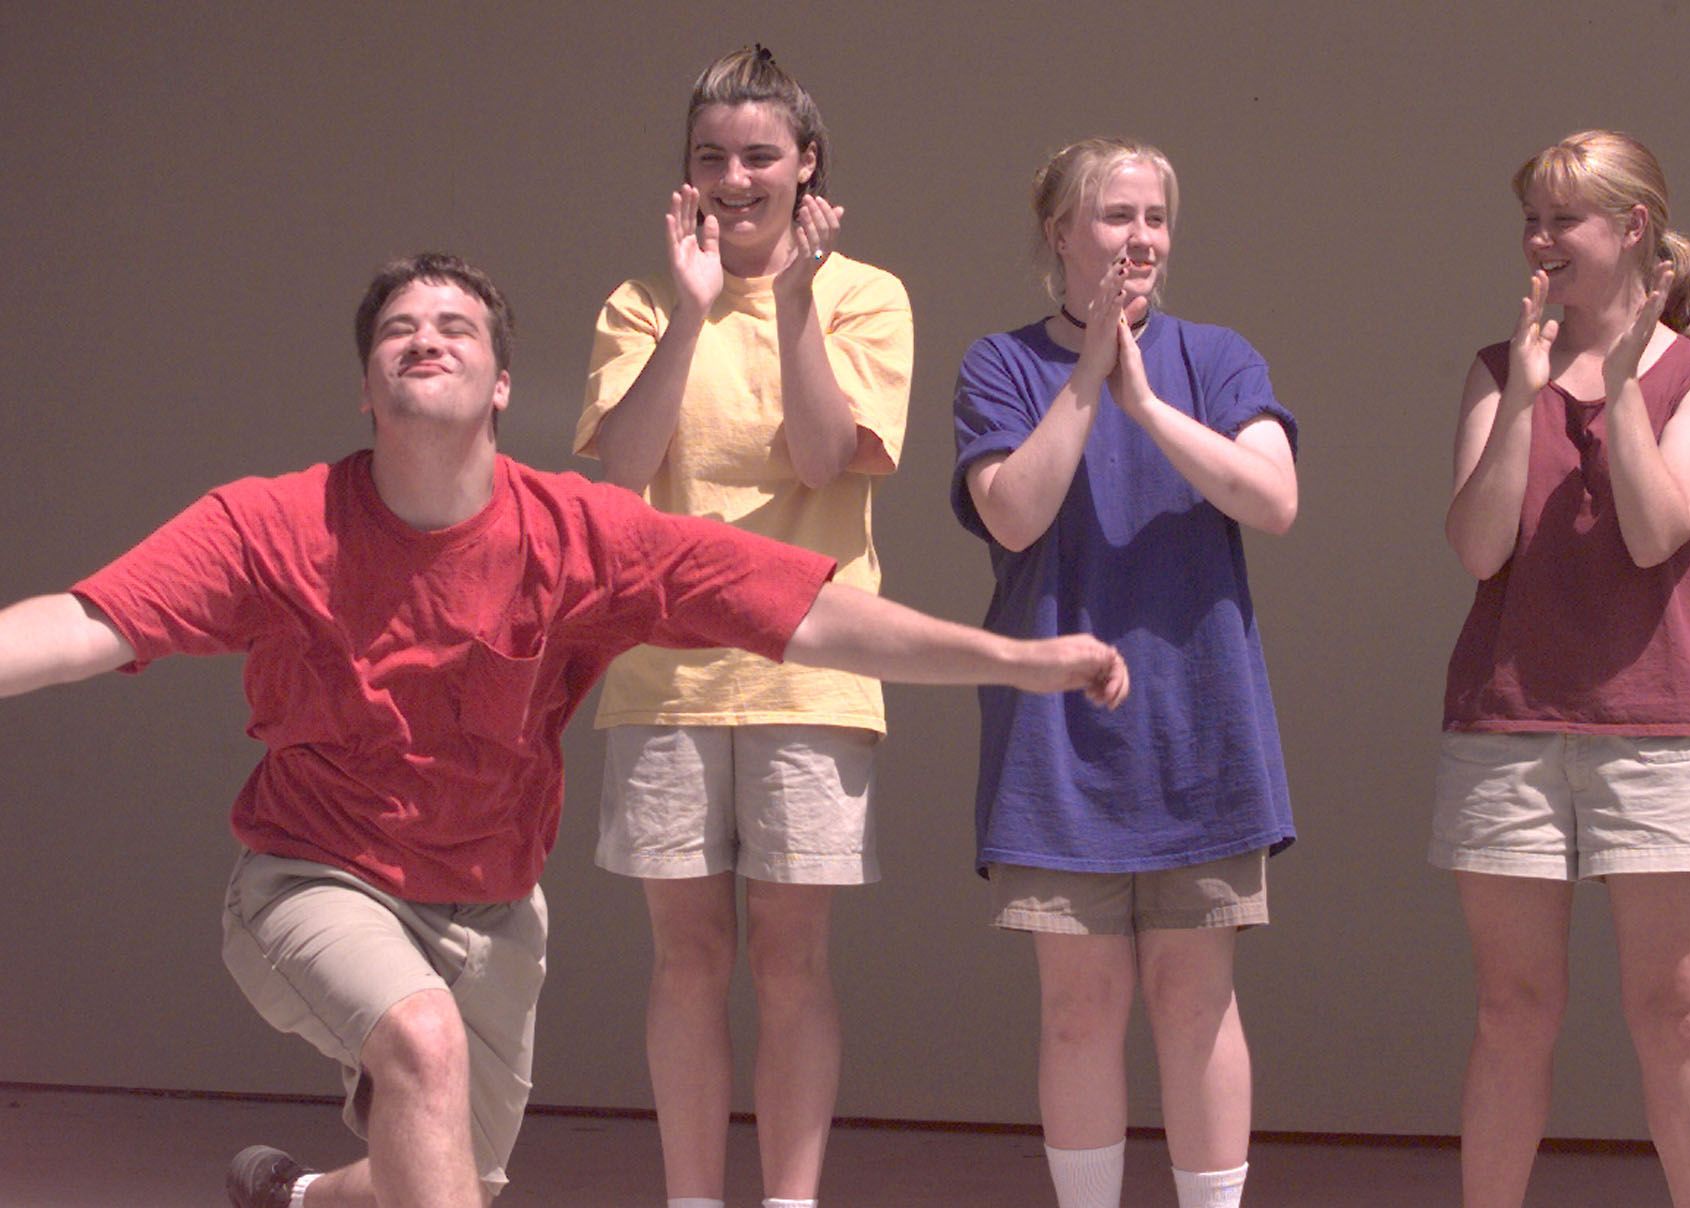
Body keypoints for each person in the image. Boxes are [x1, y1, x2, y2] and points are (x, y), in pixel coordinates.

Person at [0, 252, 1126, 1208]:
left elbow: (806, 611)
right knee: (422, 1045)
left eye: (454, 327)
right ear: (365, 385)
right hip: (311, 878)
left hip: (491, 911)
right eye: (398, 329)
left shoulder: (582, 536)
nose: (424, 338)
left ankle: (297, 1196)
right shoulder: (271, 524)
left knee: (440, 1171)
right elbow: (86, 623)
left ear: (500, 383)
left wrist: (1013, 660)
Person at [573, 45, 911, 1208]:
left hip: (808, 674)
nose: (733, 178)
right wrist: (691, 309)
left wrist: (795, 305)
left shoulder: (863, 295)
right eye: (709, 156)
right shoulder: (640, 300)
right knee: (686, 956)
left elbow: (821, 457)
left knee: (788, 956)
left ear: (806, 164)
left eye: (759, 154)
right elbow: (620, 473)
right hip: (664, 676)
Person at [950, 136, 1298, 1208]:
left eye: (1154, 217)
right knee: (1077, 1010)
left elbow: (1273, 499)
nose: (1138, 238)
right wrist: (1090, 376)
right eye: (1114, 215)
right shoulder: (1000, 365)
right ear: (1059, 232)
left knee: (1195, 1003)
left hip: (1200, 725)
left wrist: (1146, 405)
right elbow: (1012, 514)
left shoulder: (1218, 359)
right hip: (1057, 744)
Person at [1436, 129, 1690, 1208]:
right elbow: (1477, 547)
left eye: (1561, 218)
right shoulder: (1498, 368)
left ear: (1630, 227)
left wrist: (1618, 387)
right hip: (1507, 725)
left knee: (1679, 1013)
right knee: (1510, 1011)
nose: (1538, 238)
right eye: (1529, 218)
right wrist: (1526, 398)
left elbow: (1656, 530)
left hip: (1663, 728)